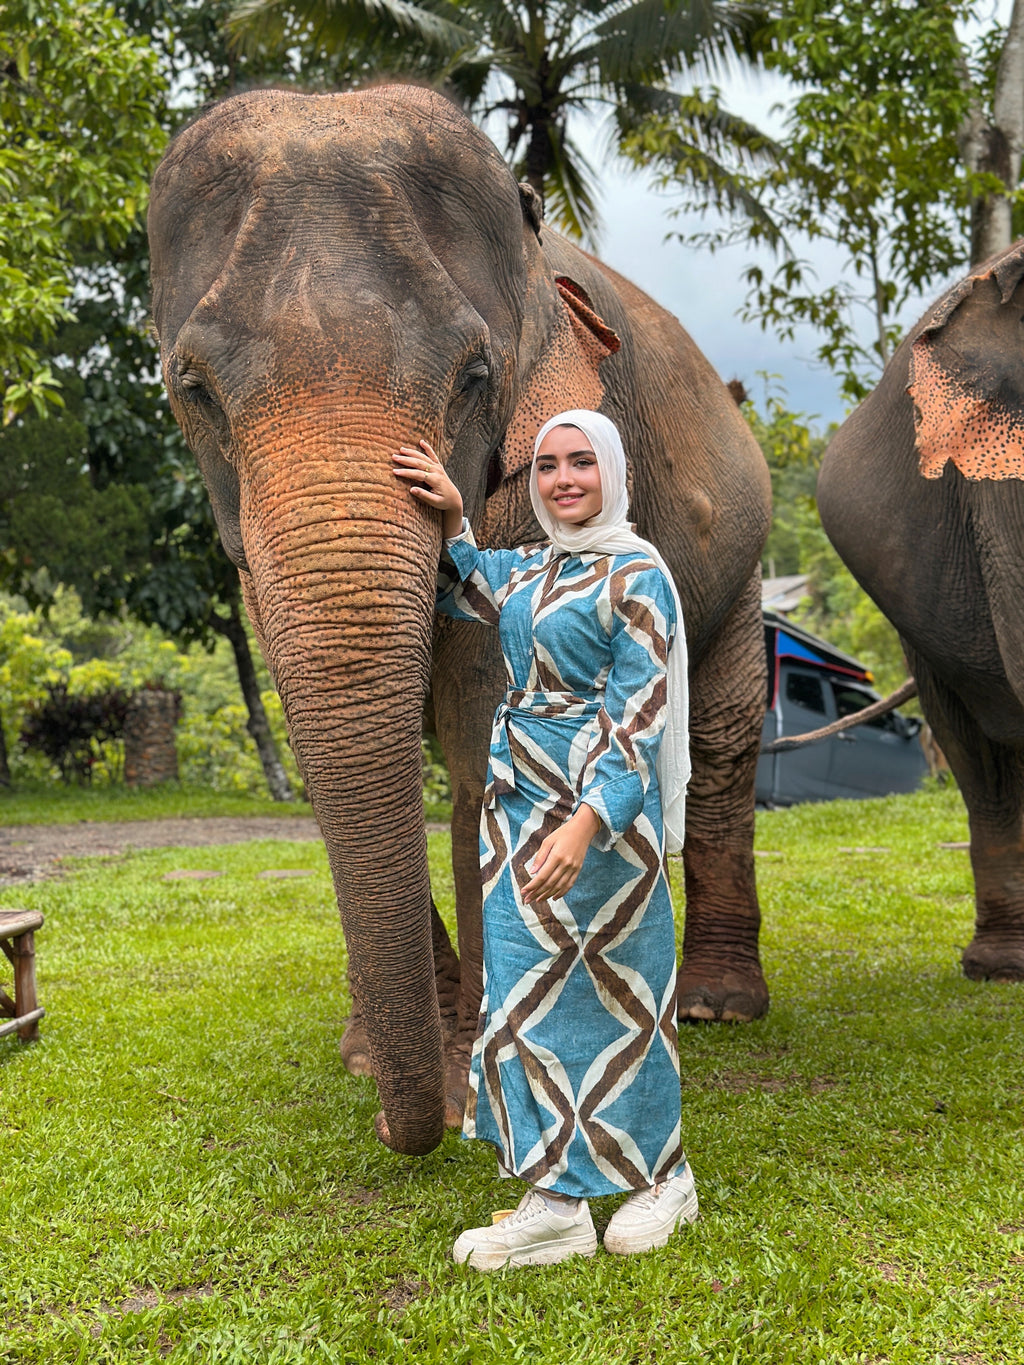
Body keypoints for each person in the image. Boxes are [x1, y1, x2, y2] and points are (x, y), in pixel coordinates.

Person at [392, 409, 697, 1270]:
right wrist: (455, 516)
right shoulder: (535, 564)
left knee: (622, 996)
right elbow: (469, 584)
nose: (565, 480)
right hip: (520, 803)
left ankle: (659, 1177)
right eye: (550, 466)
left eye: (582, 464)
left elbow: (639, 714)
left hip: (602, 815)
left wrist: (590, 820)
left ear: (611, 471)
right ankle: (554, 1197)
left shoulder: (638, 572)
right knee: (526, 994)